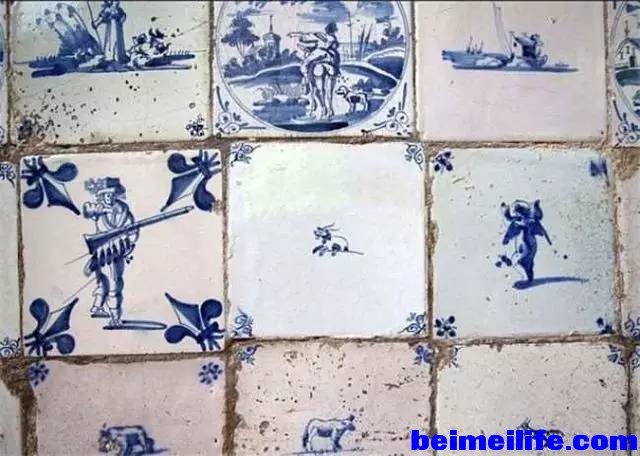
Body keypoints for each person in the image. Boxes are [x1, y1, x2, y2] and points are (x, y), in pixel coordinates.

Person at [83, 177, 138, 327]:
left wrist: (129, 244)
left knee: (110, 281)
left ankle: (100, 308)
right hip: (102, 251)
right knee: (110, 282)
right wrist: (101, 210)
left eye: (112, 194)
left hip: (118, 250)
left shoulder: (124, 211)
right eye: (106, 194)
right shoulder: (98, 209)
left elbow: (133, 230)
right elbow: (87, 211)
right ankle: (114, 316)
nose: (109, 197)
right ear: (102, 195)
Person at [289, 22, 341, 94]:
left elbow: (309, 36)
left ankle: (306, 80)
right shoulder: (333, 38)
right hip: (329, 54)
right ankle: (337, 73)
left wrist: (297, 35)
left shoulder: (321, 35)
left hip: (320, 52)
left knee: (305, 63)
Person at [93, 0, 128, 65]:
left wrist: (121, 19)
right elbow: (101, 18)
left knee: (119, 43)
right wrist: (96, 24)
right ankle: (110, 57)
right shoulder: (107, 10)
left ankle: (120, 57)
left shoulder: (119, 10)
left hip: (118, 29)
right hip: (110, 29)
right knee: (110, 42)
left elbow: (123, 17)